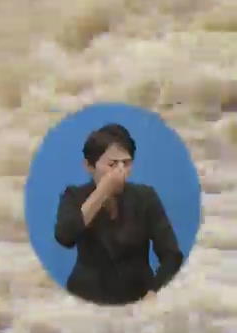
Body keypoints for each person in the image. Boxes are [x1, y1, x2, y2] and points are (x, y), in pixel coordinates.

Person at [53, 123, 184, 305]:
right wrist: (102, 191)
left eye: (127, 163)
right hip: (86, 297)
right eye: (112, 164)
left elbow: (172, 255)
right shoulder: (74, 196)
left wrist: (155, 290)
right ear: (90, 166)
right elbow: (65, 236)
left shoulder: (145, 197)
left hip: (137, 297)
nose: (121, 171)